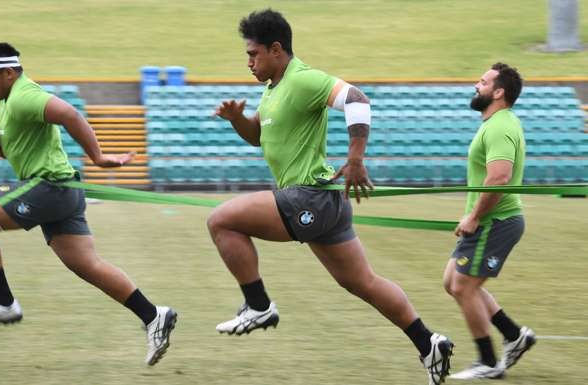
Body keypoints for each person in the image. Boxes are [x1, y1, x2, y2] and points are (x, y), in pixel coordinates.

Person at [208, 9, 453, 385]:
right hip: (324, 202)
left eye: (253, 54)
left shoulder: (303, 79)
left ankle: (258, 306)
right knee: (362, 282)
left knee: (221, 220)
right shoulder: (274, 89)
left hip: (309, 197)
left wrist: (355, 158)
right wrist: (237, 120)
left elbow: (356, 98)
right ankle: (428, 342)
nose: (249, 62)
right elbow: (258, 135)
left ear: (276, 50)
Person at [0, 42, 176, 366]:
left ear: (8, 72)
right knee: (87, 265)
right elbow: (17, 152)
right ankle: (153, 315)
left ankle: (3, 303)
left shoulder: (23, 95)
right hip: (62, 190)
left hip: (48, 187)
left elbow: (69, 113)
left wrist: (98, 157)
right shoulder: (4, 103)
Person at [445, 63, 536, 380]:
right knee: (452, 282)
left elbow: (499, 178)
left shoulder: (500, 126)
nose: (475, 85)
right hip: (489, 219)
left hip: (496, 221)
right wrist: (471, 214)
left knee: (463, 285)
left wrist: (474, 216)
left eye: (482, 82)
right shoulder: (496, 123)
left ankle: (488, 361)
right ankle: (514, 335)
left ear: (498, 92)